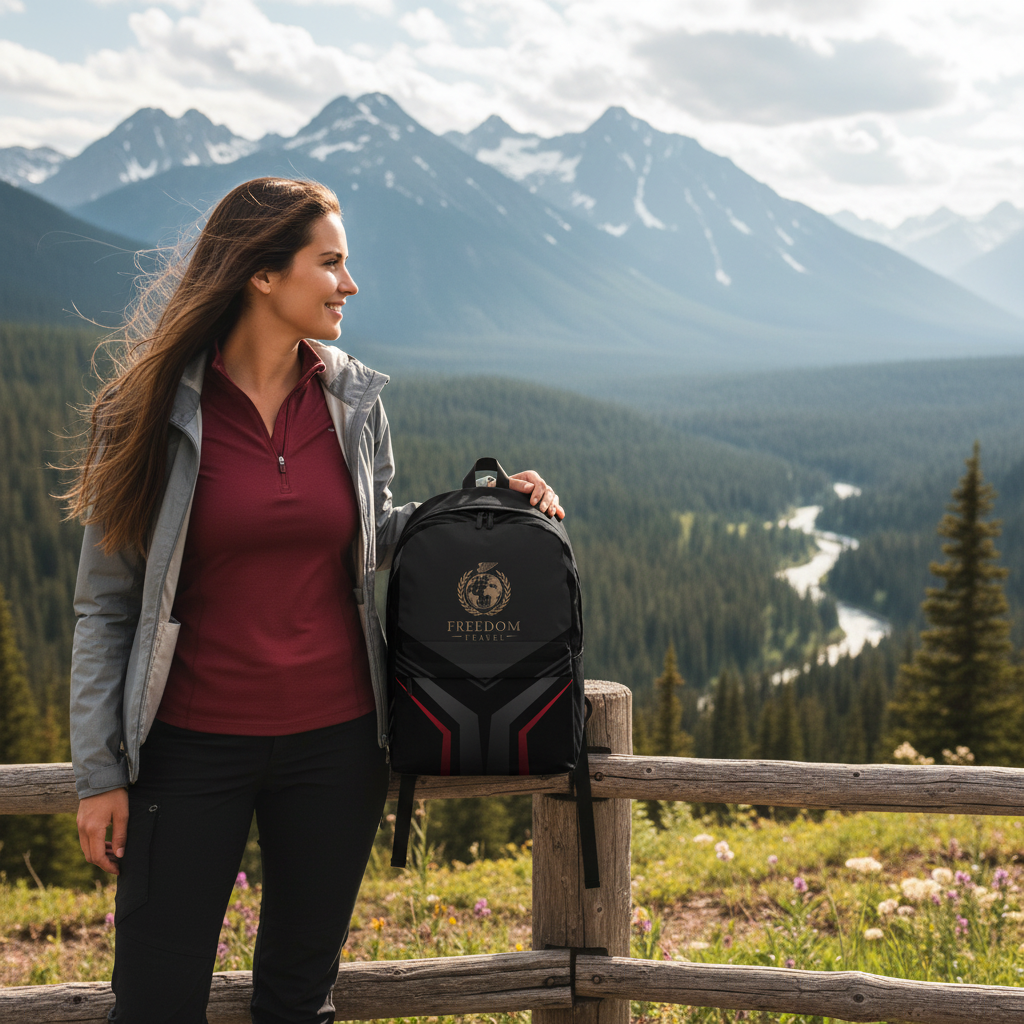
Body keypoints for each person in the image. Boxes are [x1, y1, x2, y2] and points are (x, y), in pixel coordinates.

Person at [65, 176, 564, 1024]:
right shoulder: (147, 410)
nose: (350, 283)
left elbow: (370, 536)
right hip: (188, 748)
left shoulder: (353, 400)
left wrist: (487, 512)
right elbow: (107, 605)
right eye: (330, 263)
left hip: (337, 748)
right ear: (263, 274)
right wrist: (99, 771)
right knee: (153, 1001)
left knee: (300, 999)